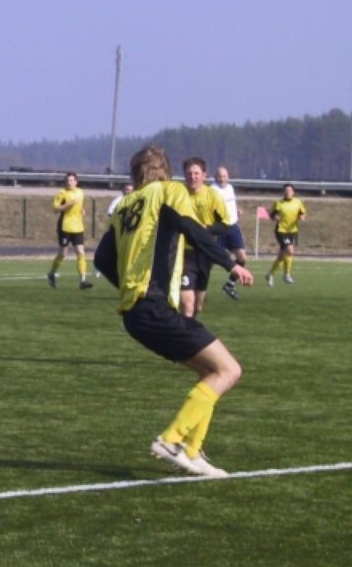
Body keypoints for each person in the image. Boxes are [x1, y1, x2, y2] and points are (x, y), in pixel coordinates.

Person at [94, 144, 253, 478]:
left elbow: (102, 259)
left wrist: (128, 286)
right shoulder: (169, 192)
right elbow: (194, 230)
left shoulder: (124, 206)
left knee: (211, 372)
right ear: (164, 171)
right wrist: (231, 264)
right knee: (229, 370)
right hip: (154, 308)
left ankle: (192, 451)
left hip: (135, 315)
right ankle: (172, 440)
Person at [179, 157, 230, 319]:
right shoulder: (178, 195)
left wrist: (207, 229)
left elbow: (225, 225)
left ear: (204, 175)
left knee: (197, 307)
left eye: (196, 173)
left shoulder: (213, 196)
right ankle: (183, 330)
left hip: (204, 254)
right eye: (189, 173)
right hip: (183, 253)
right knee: (187, 305)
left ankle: (189, 325)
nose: (192, 177)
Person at [46, 172, 93, 290]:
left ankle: (83, 280)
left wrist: (82, 210)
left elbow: (80, 206)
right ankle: (51, 273)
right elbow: (56, 208)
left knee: (80, 252)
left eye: (71, 180)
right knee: (63, 253)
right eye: (67, 180)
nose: (69, 182)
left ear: (76, 182)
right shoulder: (62, 193)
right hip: (65, 226)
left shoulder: (80, 192)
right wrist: (67, 205)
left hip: (78, 226)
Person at [212, 166, 247, 300]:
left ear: (228, 177)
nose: (222, 179)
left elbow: (230, 205)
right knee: (210, 261)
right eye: (219, 176)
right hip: (219, 228)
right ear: (215, 177)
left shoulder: (230, 188)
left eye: (224, 176)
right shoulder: (212, 190)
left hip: (233, 227)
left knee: (242, 258)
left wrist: (236, 212)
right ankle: (197, 286)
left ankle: (230, 284)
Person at [266, 183, 307, 286]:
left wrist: (302, 217)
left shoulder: (298, 202)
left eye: (290, 190)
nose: (288, 192)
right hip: (281, 231)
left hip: (293, 231)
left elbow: (302, 213)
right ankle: (287, 275)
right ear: (283, 192)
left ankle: (270, 274)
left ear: (293, 192)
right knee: (290, 250)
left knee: (282, 256)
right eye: (286, 190)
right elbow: (271, 215)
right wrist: (274, 217)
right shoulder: (278, 203)